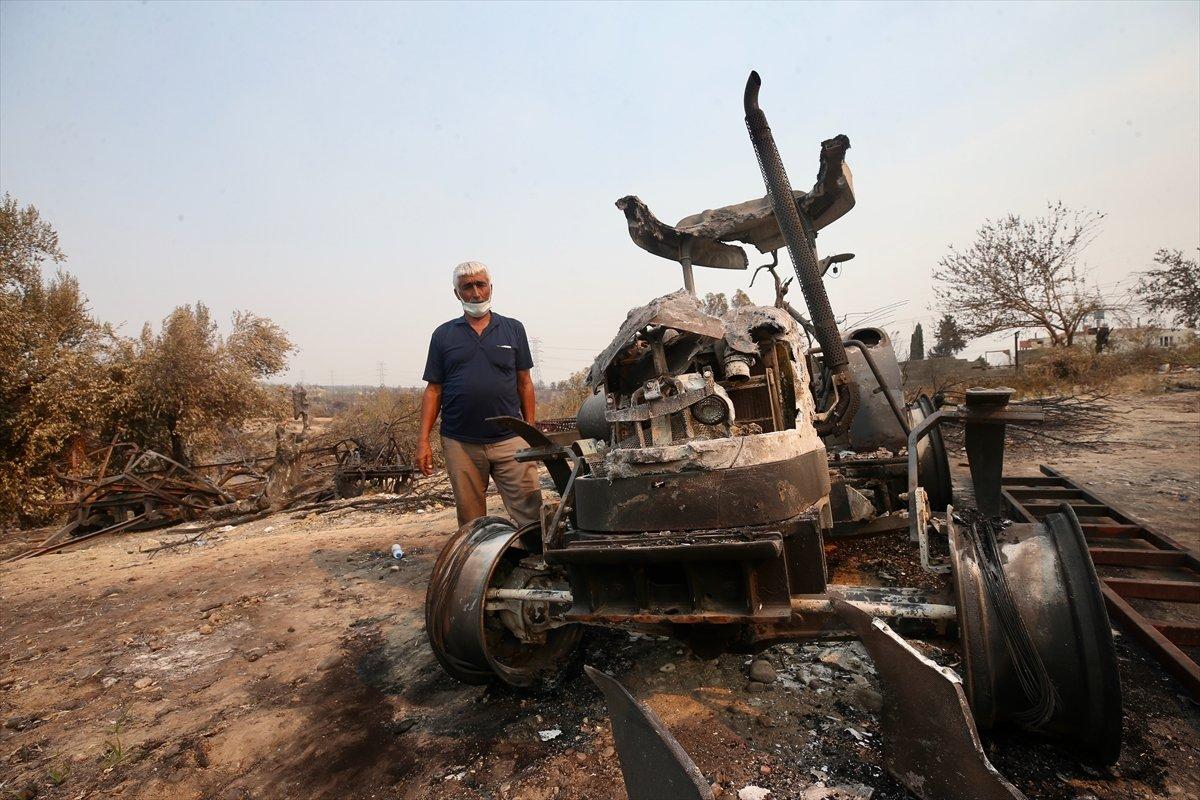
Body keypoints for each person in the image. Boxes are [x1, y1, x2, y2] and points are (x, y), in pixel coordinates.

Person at [416, 261, 543, 528]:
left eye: (480, 285)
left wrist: (529, 430)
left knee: (531, 513)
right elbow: (433, 390)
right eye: (467, 287)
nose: (475, 293)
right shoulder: (443, 335)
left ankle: (539, 563)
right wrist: (423, 441)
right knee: (472, 521)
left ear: (490, 288)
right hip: (461, 442)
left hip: (510, 439)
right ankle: (480, 566)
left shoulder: (513, 329)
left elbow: (524, 382)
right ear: (457, 293)